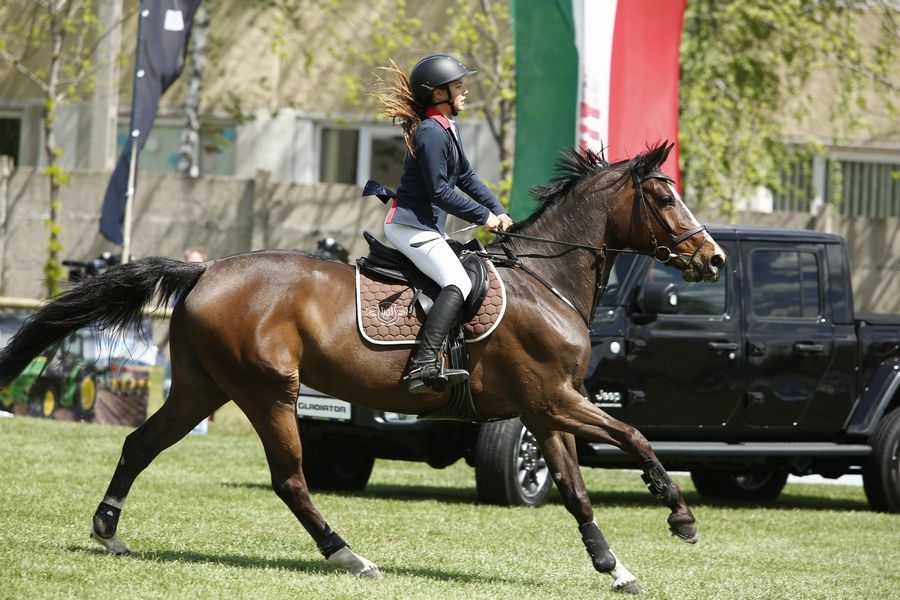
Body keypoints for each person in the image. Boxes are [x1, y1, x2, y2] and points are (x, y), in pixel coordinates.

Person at [375, 54, 513, 394]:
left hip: (425, 227)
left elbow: (466, 177)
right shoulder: (430, 133)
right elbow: (440, 191)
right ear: (439, 94)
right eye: (459, 86)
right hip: (409, 226)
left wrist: (499, 211)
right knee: (459, 282)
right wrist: (483, 217)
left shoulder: (446, 127)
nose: (465, 91)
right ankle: (422, 365)